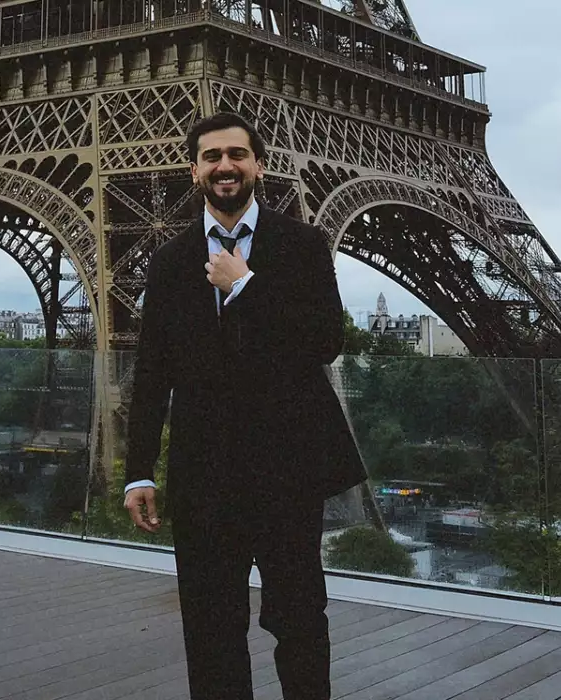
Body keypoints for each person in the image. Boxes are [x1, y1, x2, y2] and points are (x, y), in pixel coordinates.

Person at [122, 112, 367, 700]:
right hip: (204, 473)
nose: (224, 166)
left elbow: (325, 341)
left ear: (258, 164)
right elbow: (152, 373)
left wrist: (246, 287)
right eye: (212, 156)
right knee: (210, 628)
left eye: (236, 154)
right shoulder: (170, 260)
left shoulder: (303, 245)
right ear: (194, 170)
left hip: (287, 469)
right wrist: (138, 471)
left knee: (299, 619)